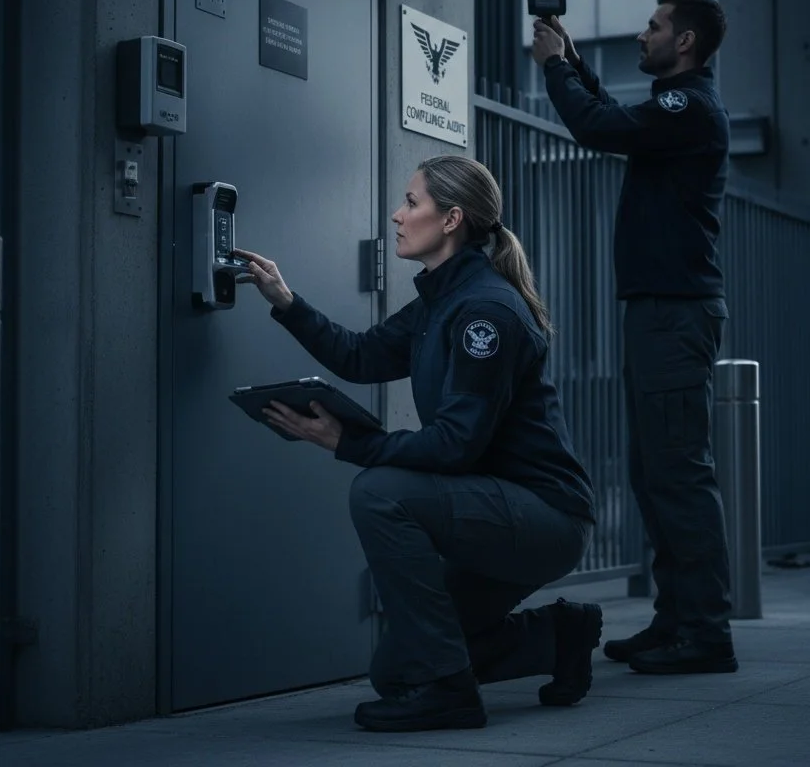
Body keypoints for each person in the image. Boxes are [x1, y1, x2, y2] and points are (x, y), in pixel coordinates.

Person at [234, 155, 601, 733]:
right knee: (398, 670)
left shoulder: (485, 310)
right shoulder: (441, 299)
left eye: (411, 202)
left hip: (543, 516)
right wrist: (286, 301)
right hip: (498, 507)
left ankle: (451, 695)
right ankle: (558, 637)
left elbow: (455, 446)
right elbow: (361, 355)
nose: (398, 215)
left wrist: (347, 442)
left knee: (380, 491)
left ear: (451, 219)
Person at [530, 0, 738, 676]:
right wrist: (573, 63)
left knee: (678, 475)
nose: (642, 35)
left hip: (674, 313)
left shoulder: (691, 107)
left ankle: (705, 634)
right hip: (660, 312)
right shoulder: (675, 112)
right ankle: (675, 620)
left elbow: (597, 128)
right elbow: (615, 118)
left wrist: (558, 70)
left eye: (653, 27)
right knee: (654, 475)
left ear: (685, 43)